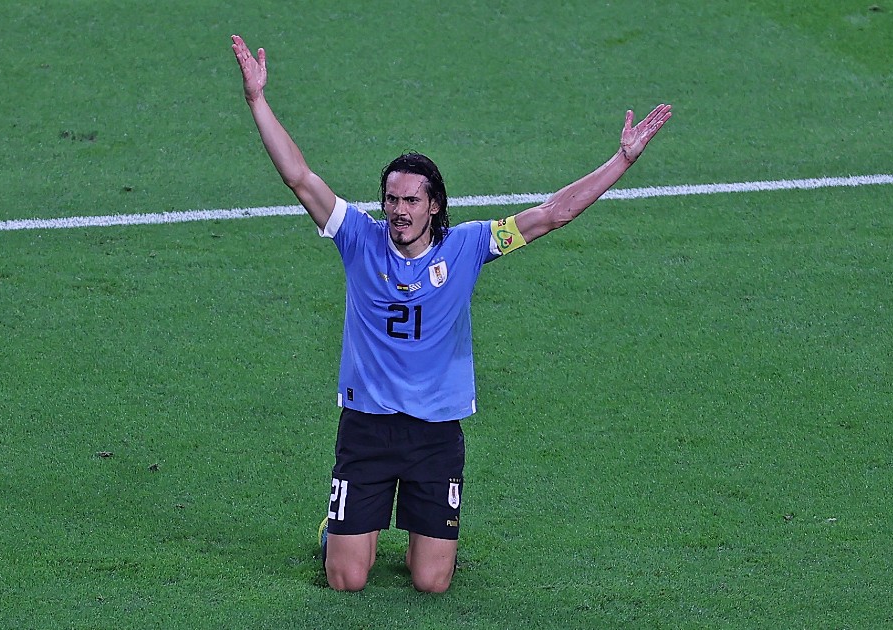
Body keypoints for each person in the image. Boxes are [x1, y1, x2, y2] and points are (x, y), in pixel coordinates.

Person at [230, 34, 671, 593]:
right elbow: (299, 176)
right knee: (346, 579)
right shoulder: (356, 237)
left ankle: (401, 535)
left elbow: (552, 214)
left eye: (411, 201)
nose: (399, 211)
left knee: (431, 582)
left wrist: (622, 159)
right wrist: (257, 100)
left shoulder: (469, 245)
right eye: (392, 199)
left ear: (433, 205)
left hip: (435, 433)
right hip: (366, 426)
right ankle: (339, 532)